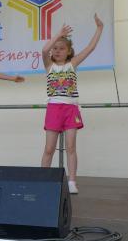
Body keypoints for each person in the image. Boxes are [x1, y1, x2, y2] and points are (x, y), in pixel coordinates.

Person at [40, 14, 104, 194]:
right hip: (54, 108)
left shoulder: (72, 64)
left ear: (68, 52)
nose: (57, 51)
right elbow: (44, 50)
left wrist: (99, 28)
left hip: (70, 109)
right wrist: (58, 35)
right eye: (55, 48)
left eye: (62, 48)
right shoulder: (49, 66)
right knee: (49, 148)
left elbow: (90, 48)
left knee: (71, 147)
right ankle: (42, 180)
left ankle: (72, 181)